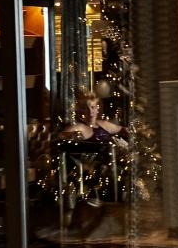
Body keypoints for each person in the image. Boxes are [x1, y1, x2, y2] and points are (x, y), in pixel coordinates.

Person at [54, 91, 128, 240]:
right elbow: (60, 139)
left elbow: (123, 130)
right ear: (80, 110)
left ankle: (113, 219)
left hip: (110, 167)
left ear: (97, 108)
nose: (91, 111)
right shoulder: (79, 127)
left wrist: (126, 141)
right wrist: (73, 137)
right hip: (90, 171)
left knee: (124, 175)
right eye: (86, 107)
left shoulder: (103, 124)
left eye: (93, 107)